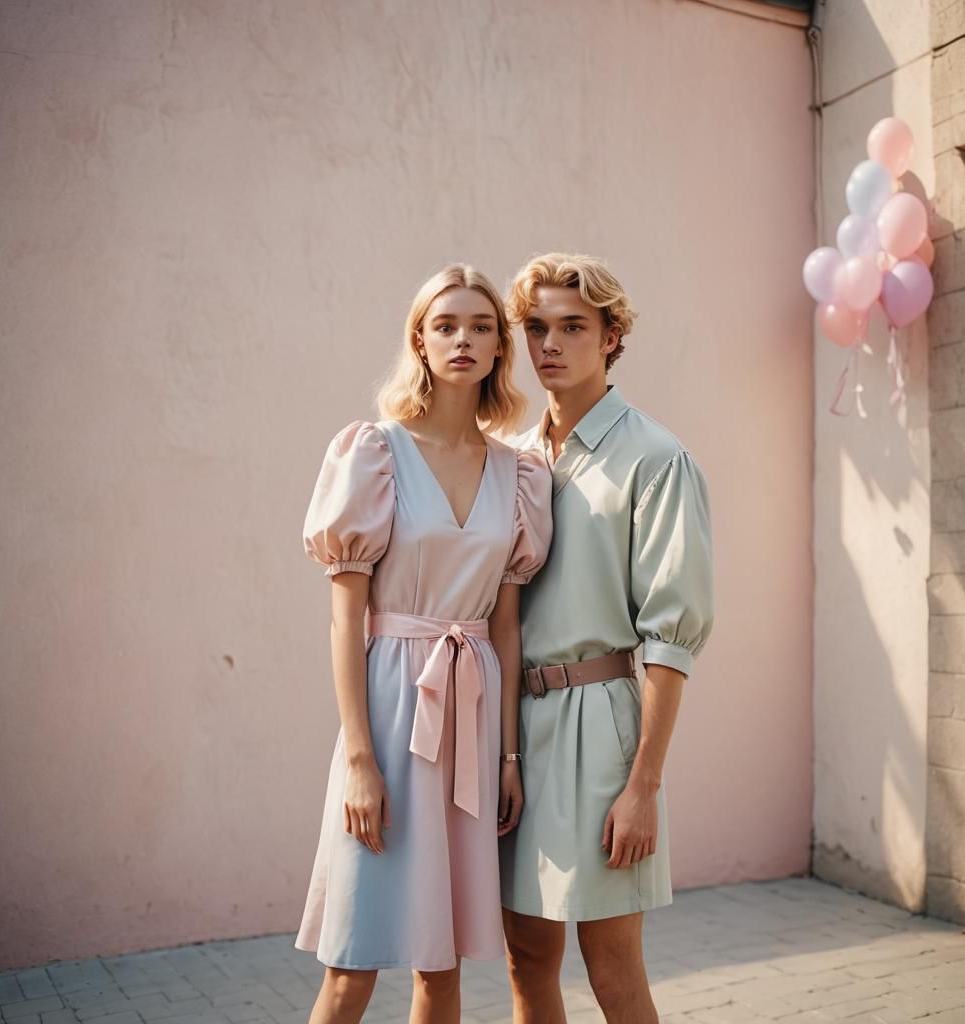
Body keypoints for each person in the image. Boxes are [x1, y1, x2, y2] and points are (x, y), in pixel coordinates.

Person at [294, 264, 553, 1024]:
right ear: (420, 341)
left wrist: (508, 757)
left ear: (499, 347)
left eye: (481, 326)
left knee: (441, 968)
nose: (463, 339)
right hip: (389, 715)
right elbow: (347, 620)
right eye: (445, 326)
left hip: (471, 723)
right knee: (351, 967)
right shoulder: (374, 453)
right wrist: (359, 759)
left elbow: (505, 626)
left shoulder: (519, 474)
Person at [499, 253, 715, 1024]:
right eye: (536, 328)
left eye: (572, 327)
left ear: (611, 336)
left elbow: (671, 639)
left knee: (611, 967)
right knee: (526, 958)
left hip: (602, 731)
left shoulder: (657, 458)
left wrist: (643, 786)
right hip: (516, 731)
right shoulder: (513, 459)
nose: (550, 345)